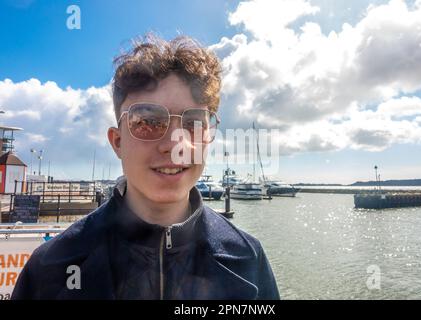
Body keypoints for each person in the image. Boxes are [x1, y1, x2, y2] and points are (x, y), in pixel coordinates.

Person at [12, 34, 280, 300]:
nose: (176, 145)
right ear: (117, 142)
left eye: (194, 123)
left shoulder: (246, 260)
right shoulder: (51, 268)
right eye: (147, 122)